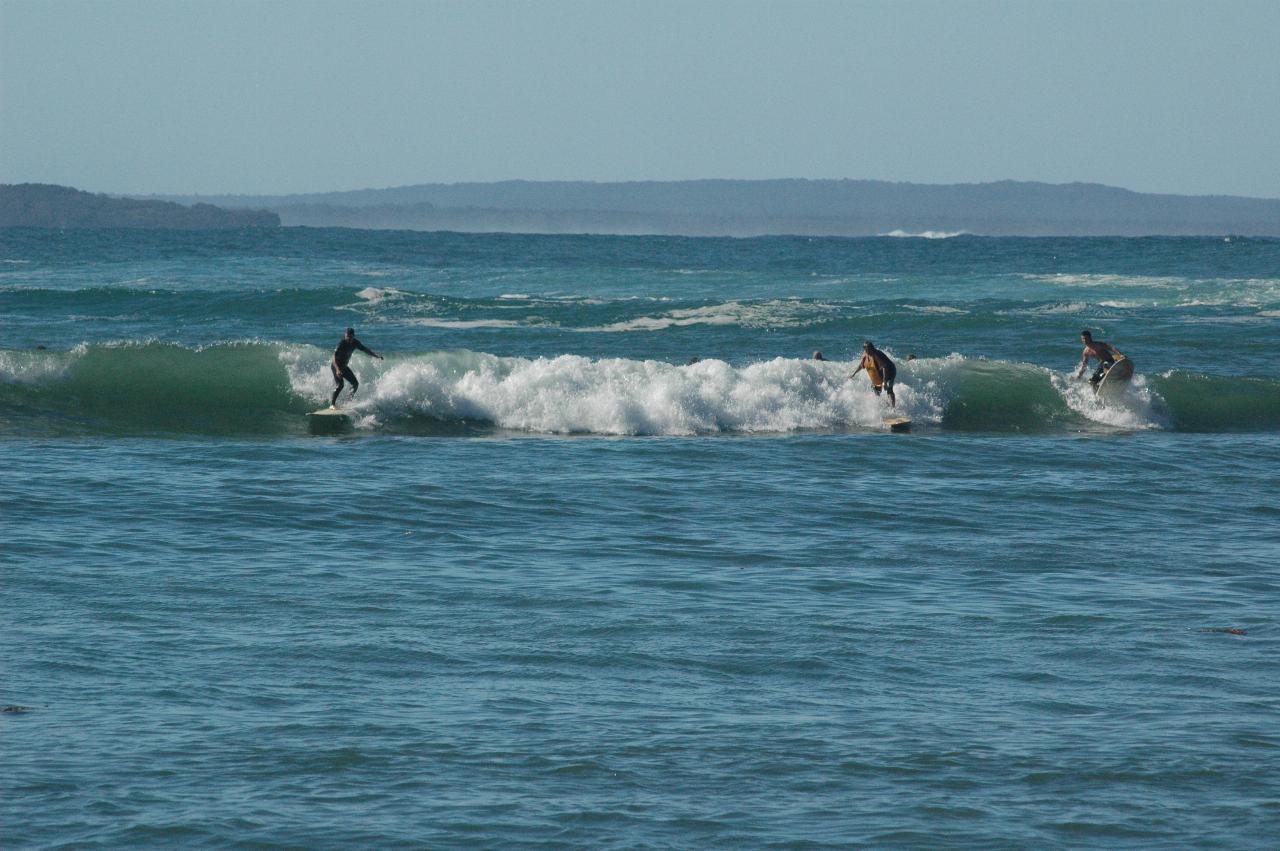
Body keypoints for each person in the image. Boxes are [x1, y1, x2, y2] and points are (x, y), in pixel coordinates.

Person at [330, 327, 383, 407]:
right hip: (336, 366)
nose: (348, 338)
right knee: (340, 385)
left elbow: (365, 349)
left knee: (355, 384)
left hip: (344, 367)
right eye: (347, 336)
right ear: (345, 335)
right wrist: (337, 370)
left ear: (353, 336)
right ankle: (332, 405)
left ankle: (347, 402)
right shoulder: (341, 343)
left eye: (350, 337)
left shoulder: (355, 343)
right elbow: (333, 357)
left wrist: (376, 355)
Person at [851, 340, 897, 407]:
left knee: (889, 389)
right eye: (868, 349)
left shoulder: (876, 354)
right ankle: (885, 405)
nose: (870, 350)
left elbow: (884, 367)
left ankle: (893, 408)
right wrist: (854, 373)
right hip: (880, 374)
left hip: (890, 372)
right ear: (865, 349)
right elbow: (861, 365)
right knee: (875, 390)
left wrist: (884, 381)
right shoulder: (866, 355)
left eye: (871, 348)